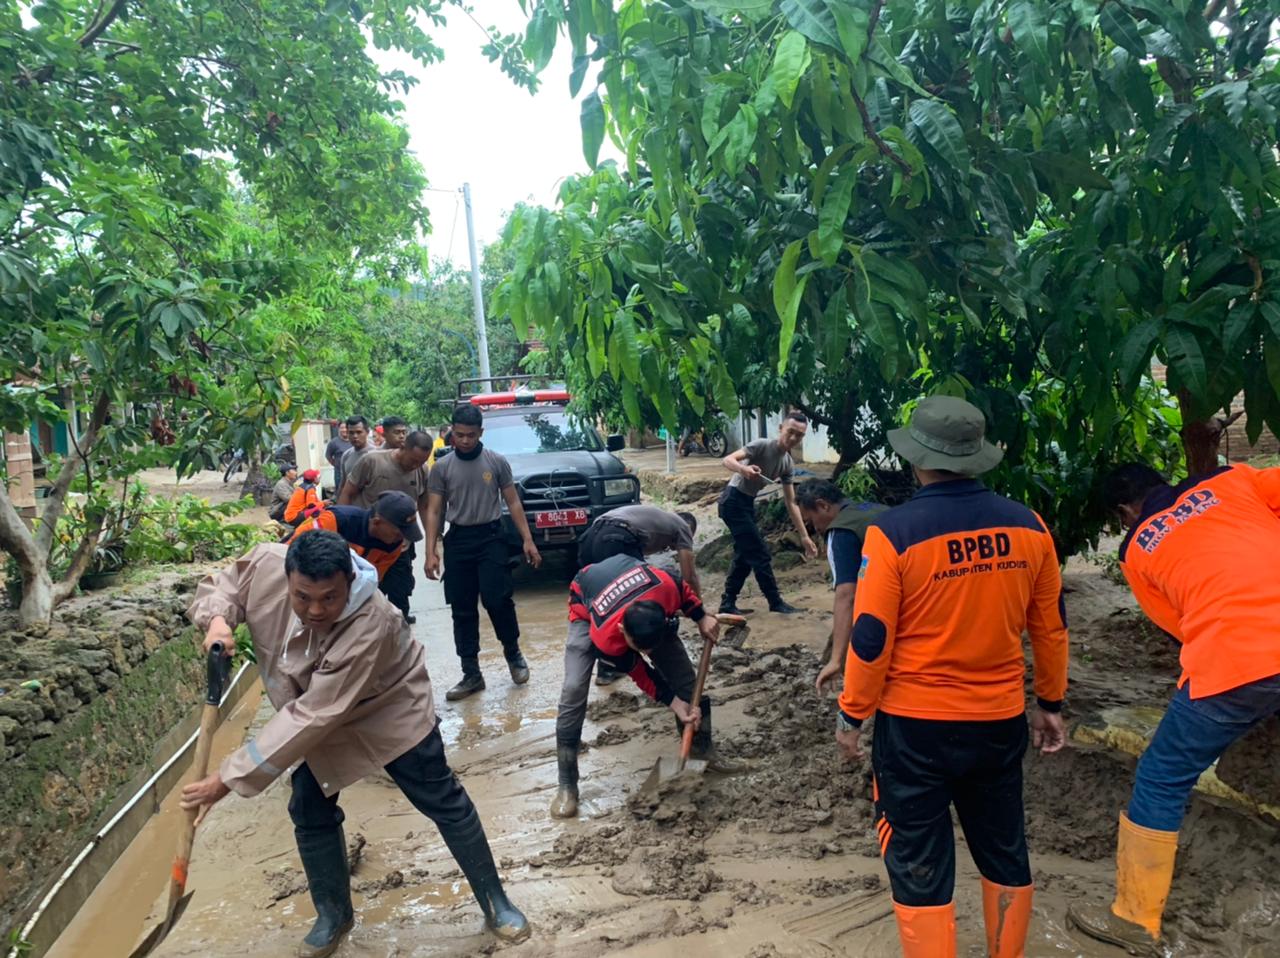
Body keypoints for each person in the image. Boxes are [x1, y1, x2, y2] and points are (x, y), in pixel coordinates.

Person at [178, 532, 530, 956]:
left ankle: (496, 901)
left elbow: (315, 714)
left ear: (349, 582)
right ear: (286, 576)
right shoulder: (266, 563)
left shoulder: (370, 621)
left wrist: (227, 778)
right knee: (308, 805)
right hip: (314, 706)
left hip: (387, 707)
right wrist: (218, 619)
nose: (315, 610)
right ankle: (333, 915)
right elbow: (225, 587)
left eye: (330, 598)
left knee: (440, 795)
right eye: (302, 597)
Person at [833, 396, 1068, 958]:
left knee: (917, 857)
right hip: (999, 720)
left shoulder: (892, 533)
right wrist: (1050, 704)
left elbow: (871, 638)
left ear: (916, 459)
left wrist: (852, 713)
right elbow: (1051, 628)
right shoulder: (1030, 527)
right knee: (1004, 846)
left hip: (915, 729)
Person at [1067, 461, 1280, 955]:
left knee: (1162, 775)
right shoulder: (1231, 479)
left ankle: (1134, 919)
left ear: (1125, 512)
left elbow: (1178, 627)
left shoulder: (1137, 547)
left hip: (1235, 658)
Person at [551, 553, 747, 819]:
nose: (646, 654)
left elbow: (683, 591)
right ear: (623, 631)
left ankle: (703, 752)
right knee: (574, 688)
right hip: (588, 604)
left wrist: (701, 616)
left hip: (639, 587)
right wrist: (674, 703)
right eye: (640, 649)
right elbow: (640, 672)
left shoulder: (666, 588)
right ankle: (567, 784)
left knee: (685, 681)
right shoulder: (607, 637)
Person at [424, 405, 540, 700]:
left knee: (498, 600)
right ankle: (471, 673)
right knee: (462, 608)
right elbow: (434, 510)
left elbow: (513, 502)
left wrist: (527, 539)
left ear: (480, 433)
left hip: (491, 538)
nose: (465, 440)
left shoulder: (496, 461)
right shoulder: (441, 468)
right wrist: (430, 551)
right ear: (452, 432)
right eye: (460, 435)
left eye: (471, 435)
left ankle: (513, 655)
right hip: (458, 541)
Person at [576, 505, 700, 686]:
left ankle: (608, 668)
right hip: (615, 537)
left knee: (610, 602)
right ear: (689, 528)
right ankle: (677, 680)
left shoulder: (653, 520)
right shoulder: (682, 526)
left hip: (590, 539)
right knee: (645, 606)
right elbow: (689, 576)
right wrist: (698, 610)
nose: (675, 547)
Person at [717, 412, 818, 616]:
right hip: (733, 500)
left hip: (746, 503)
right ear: (781, 429)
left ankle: (728, 602)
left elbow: (791, 502)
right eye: (790, 432)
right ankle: (775, 602)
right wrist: (743, 470)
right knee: (759, 553)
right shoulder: (762, 445)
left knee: (745, 554)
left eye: (799, 435)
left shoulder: (787, 463)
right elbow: (727, 460)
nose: (794, 438)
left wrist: (804, 536)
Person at [793, 479, 888, 694]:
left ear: (823, 505)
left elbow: (847, 595)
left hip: (883, 607)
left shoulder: (841, 531)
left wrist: (836, 659)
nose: (815, 529)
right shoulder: (877, 510)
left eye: (812, 520)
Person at [339, 431, 433, 625]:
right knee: (369, 593)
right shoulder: (372, 461)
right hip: (369, 544)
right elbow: (348, 492)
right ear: (403, 447)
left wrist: (430, 548)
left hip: (400, 545)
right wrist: (344, 531)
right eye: (413, 460)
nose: (415, 466)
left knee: (401, 590)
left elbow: (424, 506)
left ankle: (399, 629)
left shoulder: (422, 470)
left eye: (421, 461)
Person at [288, 490, 420, 581]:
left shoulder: (393, 546)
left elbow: (372, 581)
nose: (401, 539)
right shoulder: (336, 520)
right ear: (376, 522)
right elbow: (289, 550)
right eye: (398, 533)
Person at [335, 416, 370, 495]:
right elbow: (343, 483)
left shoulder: (376, 454)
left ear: (367, 432)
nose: (355, 436)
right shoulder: (346, 455)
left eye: (359, 432)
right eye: (351, 433)